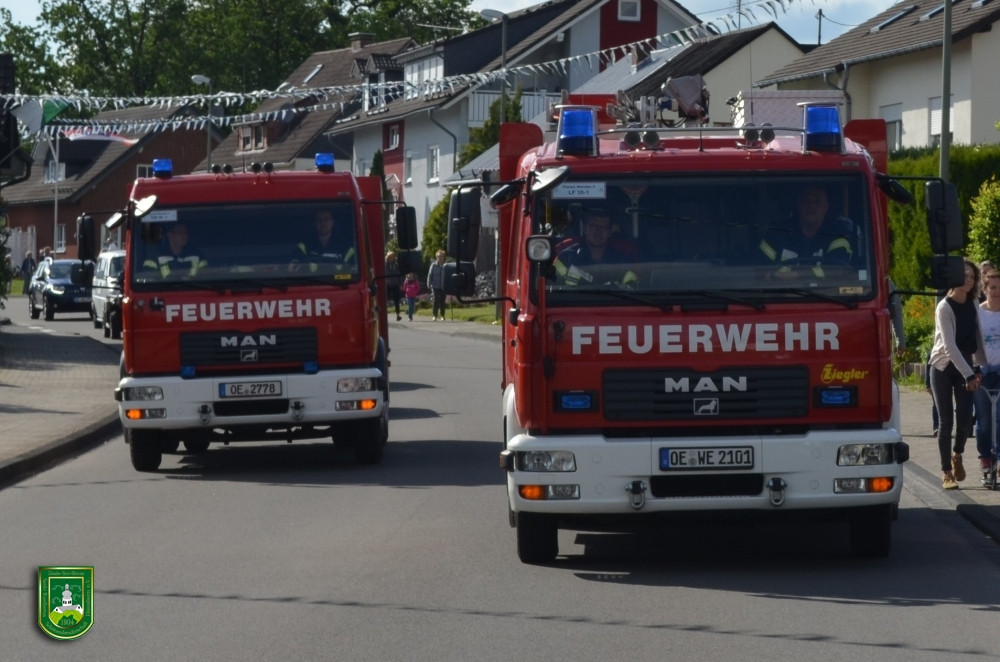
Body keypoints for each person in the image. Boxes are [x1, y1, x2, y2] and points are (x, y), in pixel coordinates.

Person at [929, 258, 987, 490]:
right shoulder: (944, 307)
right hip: (943, 366)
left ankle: (957, 454)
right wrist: (969, 375)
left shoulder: (973, 302)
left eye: (972, 276)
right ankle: (946, 472)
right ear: (954, 277)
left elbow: (977, 337)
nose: (968, 280)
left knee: (964, 420)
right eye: (964, 275)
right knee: (946, 421)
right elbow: (949, 347)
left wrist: (979, 367)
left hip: (965, 365)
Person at [759, 184, 853, 280]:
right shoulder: (777, 232)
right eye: (806, 201)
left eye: (817, 202)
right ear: (798, 204)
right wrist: (771, 276)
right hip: (780, 289)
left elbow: (838, 269)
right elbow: (759, 268)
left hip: (827, 290)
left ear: (826, 207)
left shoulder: (837, 233)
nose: (811, 205)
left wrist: (795, 275)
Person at [552, 210, 637, 287]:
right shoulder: (566, 258)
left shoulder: (622, 261)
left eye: (604, 227)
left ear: (610, 231)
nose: (598, 232)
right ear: (584, 229)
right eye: (593, 226)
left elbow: (631, 289)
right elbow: (553, 288)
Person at [975, 271, 1000, 480]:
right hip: (982, 372)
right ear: (984, 290)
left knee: (999, 419)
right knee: (984, 421)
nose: (997, 292)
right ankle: (985, 460)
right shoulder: (978, 313)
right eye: (992, 287)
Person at [290, 210, 356, 273]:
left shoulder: (344, 245)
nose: (323, 223)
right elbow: (294, 262)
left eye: (326, 219)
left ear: (332, 222)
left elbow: (354, 266)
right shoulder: (306, 245)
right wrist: (294, 265)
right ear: (315, 223)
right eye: (319, 220)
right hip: (312, 280)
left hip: (339, 280)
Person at [426, 249, 448, 320]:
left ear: (443, 257)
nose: (439, 258)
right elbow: (430, 275)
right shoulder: (433, 265)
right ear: (436, 257)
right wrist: (429, 284)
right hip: (435, 285)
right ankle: (434, 315)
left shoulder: (446, 265)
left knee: (442, 301)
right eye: (438, 256)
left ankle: (442, 315)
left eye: (441, 256)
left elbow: (448, 276)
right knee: (436, 300)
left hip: (443, 286)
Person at [385, 251, 403, 321]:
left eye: (393, 257)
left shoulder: (396, 265)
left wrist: (400, 283)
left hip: (395, 284)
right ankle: (384, 313)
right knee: (385, 299)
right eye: (390, 257)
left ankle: (398, 314)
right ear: (388, 257)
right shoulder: (385, 265)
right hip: (387, 285)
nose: (392, 258)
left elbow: (399, 274)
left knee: (396, 300)